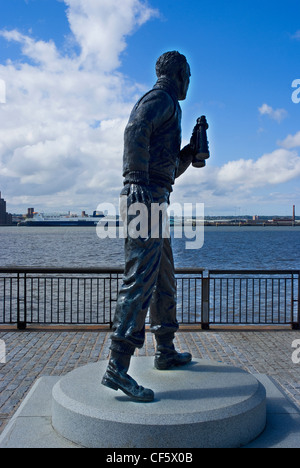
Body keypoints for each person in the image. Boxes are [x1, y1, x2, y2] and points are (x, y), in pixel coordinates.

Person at [102, 51, 198, 402]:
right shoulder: (160, 98)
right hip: (145, 198)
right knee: (140, 280)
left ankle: (165, 349)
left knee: (163, 277)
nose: (189, 81)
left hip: (156, 195)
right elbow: (135, 129)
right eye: (187, 74)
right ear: (177, 73)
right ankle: (117, 366)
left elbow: (167, 171)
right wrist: (136, 176)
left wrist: (189, 152)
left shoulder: (171, 104)